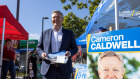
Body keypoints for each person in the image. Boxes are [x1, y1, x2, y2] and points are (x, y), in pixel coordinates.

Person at [36, 10, 78, 79]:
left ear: (62, 19)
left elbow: (75, 48)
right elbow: (38, 48)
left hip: (64, 70)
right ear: (51, 19)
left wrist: (70, 53)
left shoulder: (69, 33)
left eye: (58, 17)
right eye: (54, 17)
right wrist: (42, 53)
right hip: (48, 70)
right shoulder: (44, 33)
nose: (56, 19)